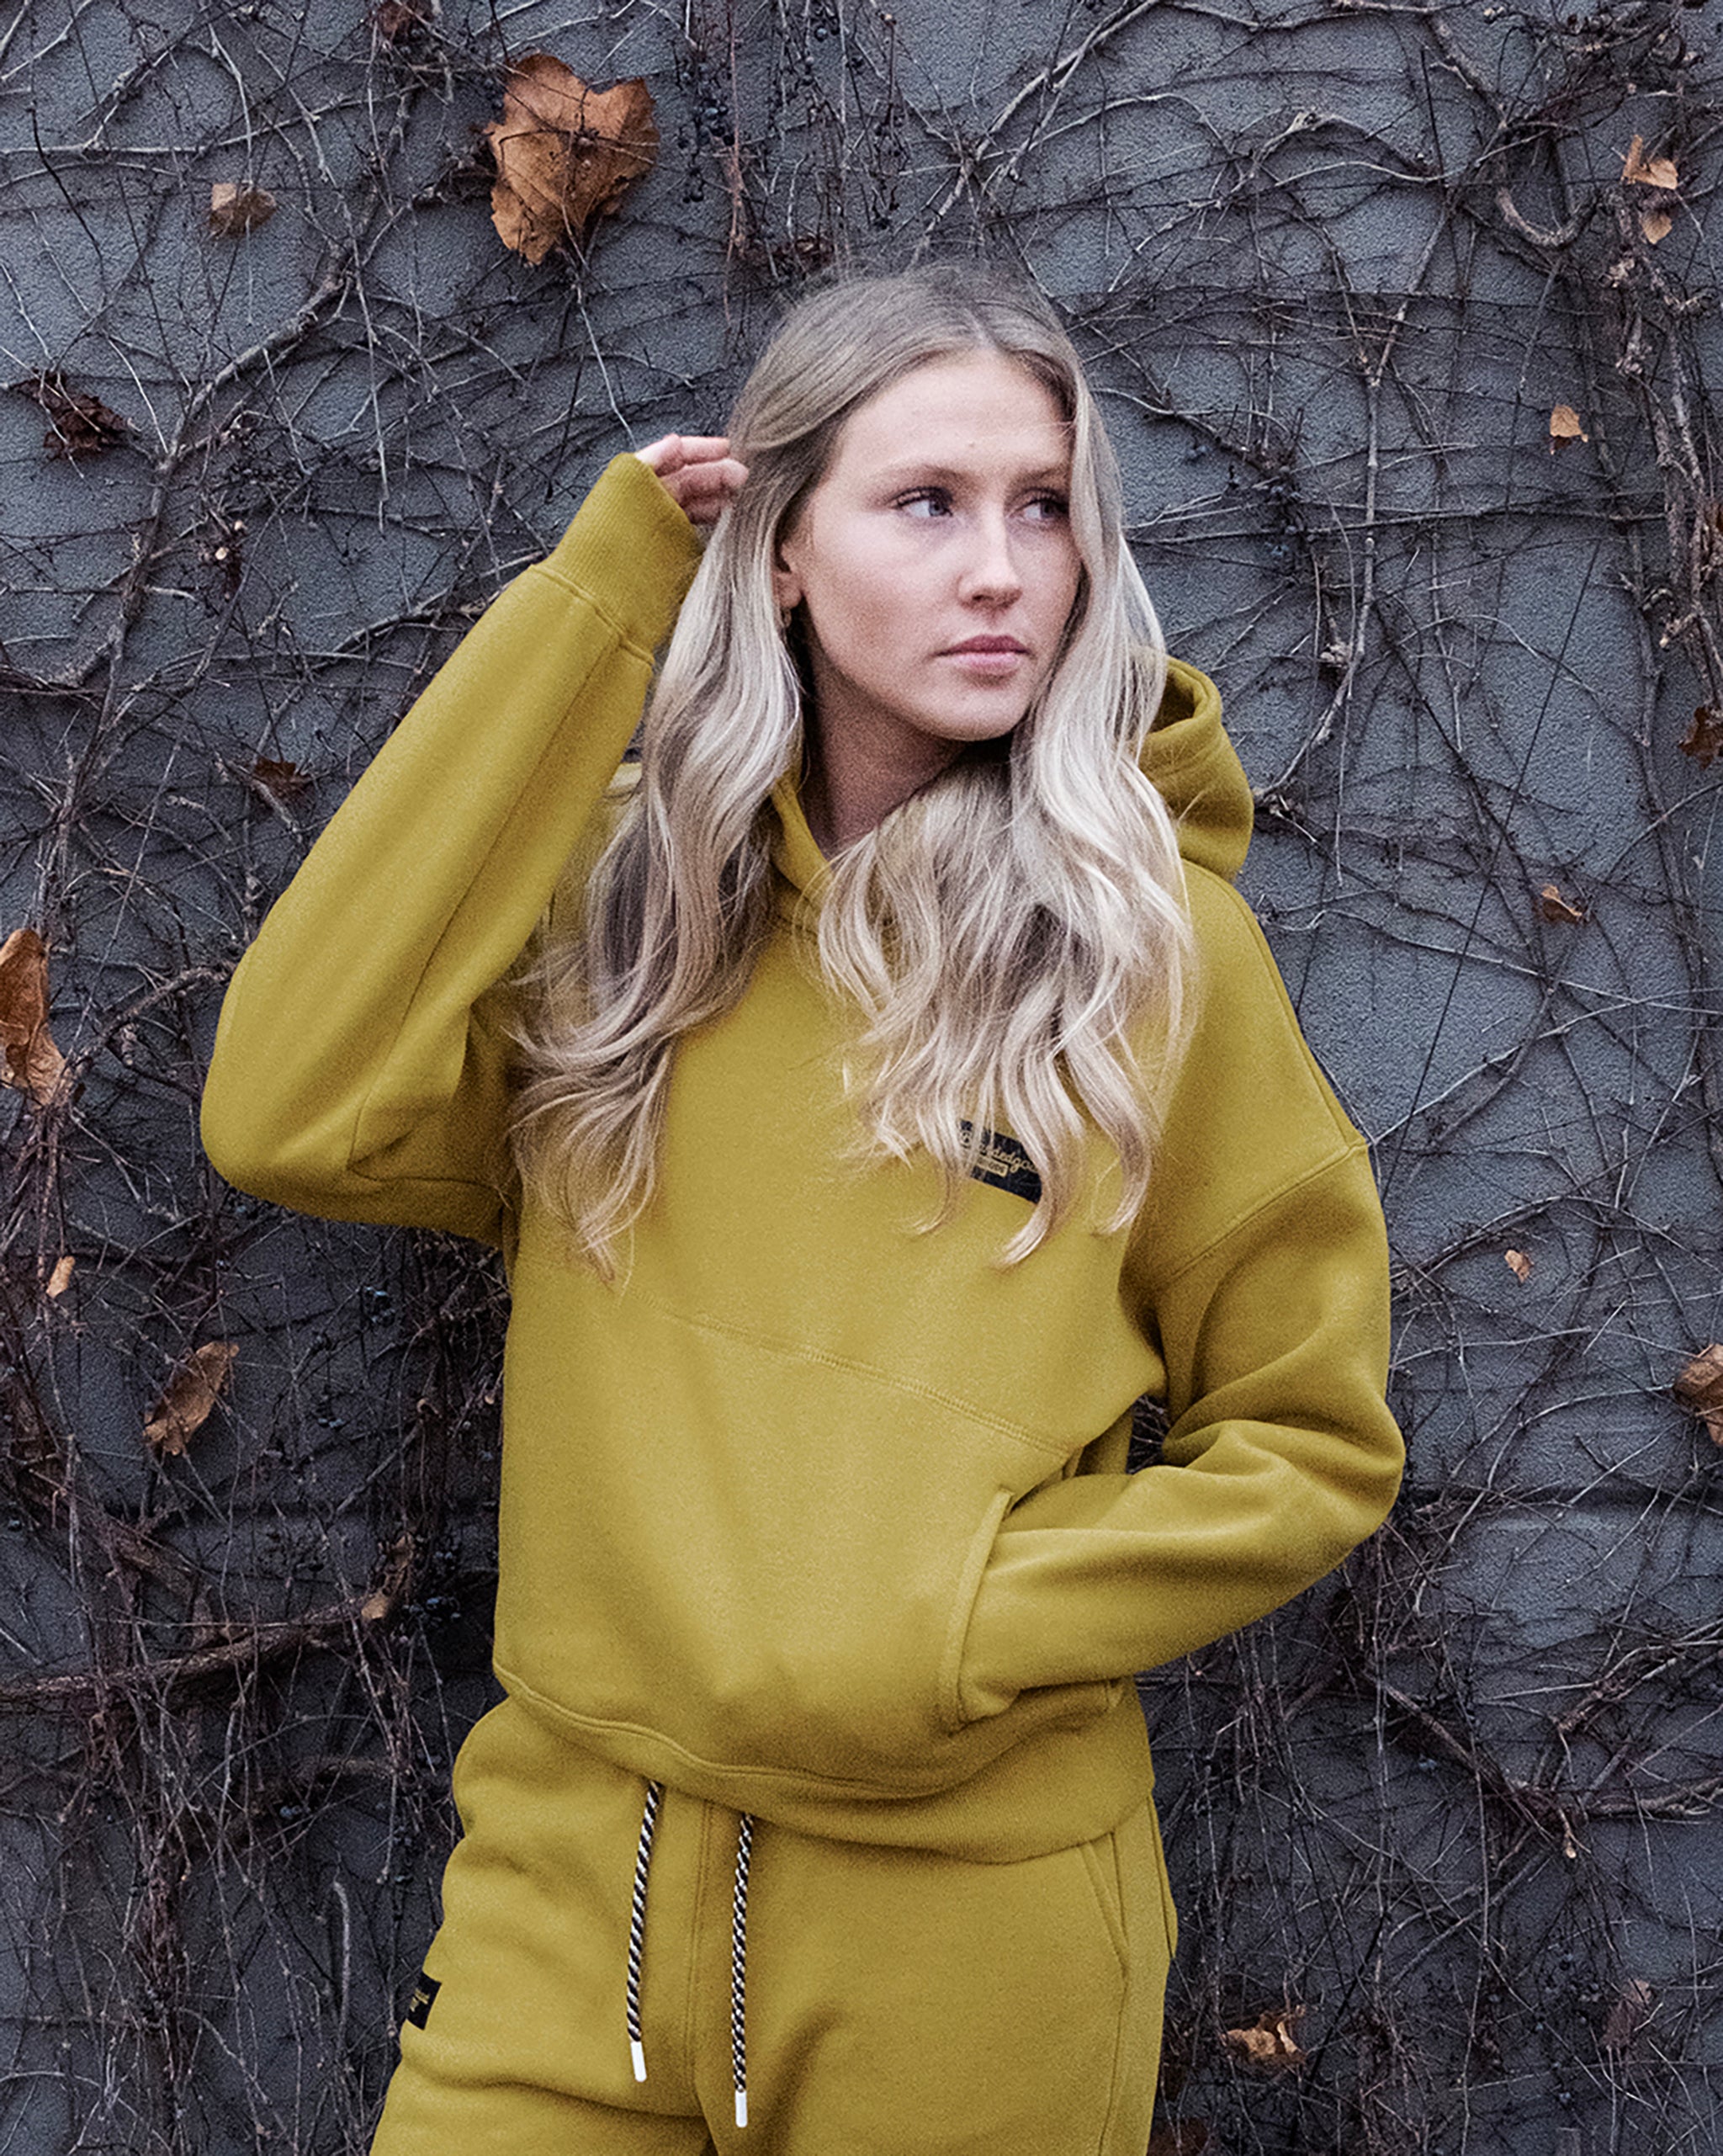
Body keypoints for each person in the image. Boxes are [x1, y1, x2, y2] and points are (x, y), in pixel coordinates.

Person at [200, 263, 1403, 2156]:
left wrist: (943, 1628)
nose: (1000, 569)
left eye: (1043, 509)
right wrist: (596, 606)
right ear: (777, 551)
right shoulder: (628, 930)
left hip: (968, 1928)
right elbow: (287, 1109)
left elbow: (1309, 1441)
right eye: (924, 503)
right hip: (561, 1891)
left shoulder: (1159, 964)